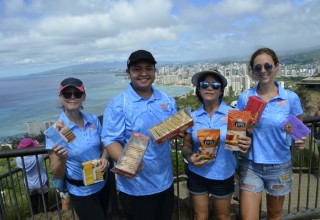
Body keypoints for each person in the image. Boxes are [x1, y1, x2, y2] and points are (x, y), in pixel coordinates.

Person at [101, 49, 178, 220]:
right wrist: (128, 162)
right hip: (135, 187)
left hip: (165, 181)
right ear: (128, 72)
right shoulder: (119, 104)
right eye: (137, 69)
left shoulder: (167, 100)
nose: (143, 73)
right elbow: (110, 139)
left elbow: (172, 132)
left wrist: (177, 131)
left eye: (148, 68)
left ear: (154, 71)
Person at [236, 48, 306, 220]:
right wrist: (244, 137)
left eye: (267, 66)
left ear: (276, 67)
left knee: (274, 215)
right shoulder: (245, 98)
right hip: (251, 164)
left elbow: (298, 134)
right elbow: (237, 132)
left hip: (279, 165)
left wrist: (299, 145)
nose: (263, 71)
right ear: (251, 71)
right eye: (258, 68)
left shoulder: (290, 99)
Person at [182, 70, 251, 220]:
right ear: (199, 89)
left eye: (215, 85)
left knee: (223, 216)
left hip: (223, 174)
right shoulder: (192, 116)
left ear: (221, 90)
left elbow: (241, 149)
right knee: (200, 216)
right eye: (204, 84)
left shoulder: (235, 114)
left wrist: (245, 146)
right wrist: (189, 157)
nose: (209, 88)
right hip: (197, 174)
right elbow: (186, 145)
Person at [45, 77, 110, 220]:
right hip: (82, 192)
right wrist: (61, 159)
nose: (72, 97)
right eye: (67, 94)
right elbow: (57, 173)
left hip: (103, 183)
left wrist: (104, 158)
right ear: (60, 97)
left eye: (77, 94)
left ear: (83, 97)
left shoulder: (93, 119)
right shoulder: (55, 132)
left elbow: (104, 145)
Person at [16, 138, 49, 215]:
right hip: (42, 182)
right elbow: (37, 149)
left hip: (29, 184)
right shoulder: (39, 156)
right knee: (45, 206)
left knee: (34, 207)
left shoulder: (19, 159)